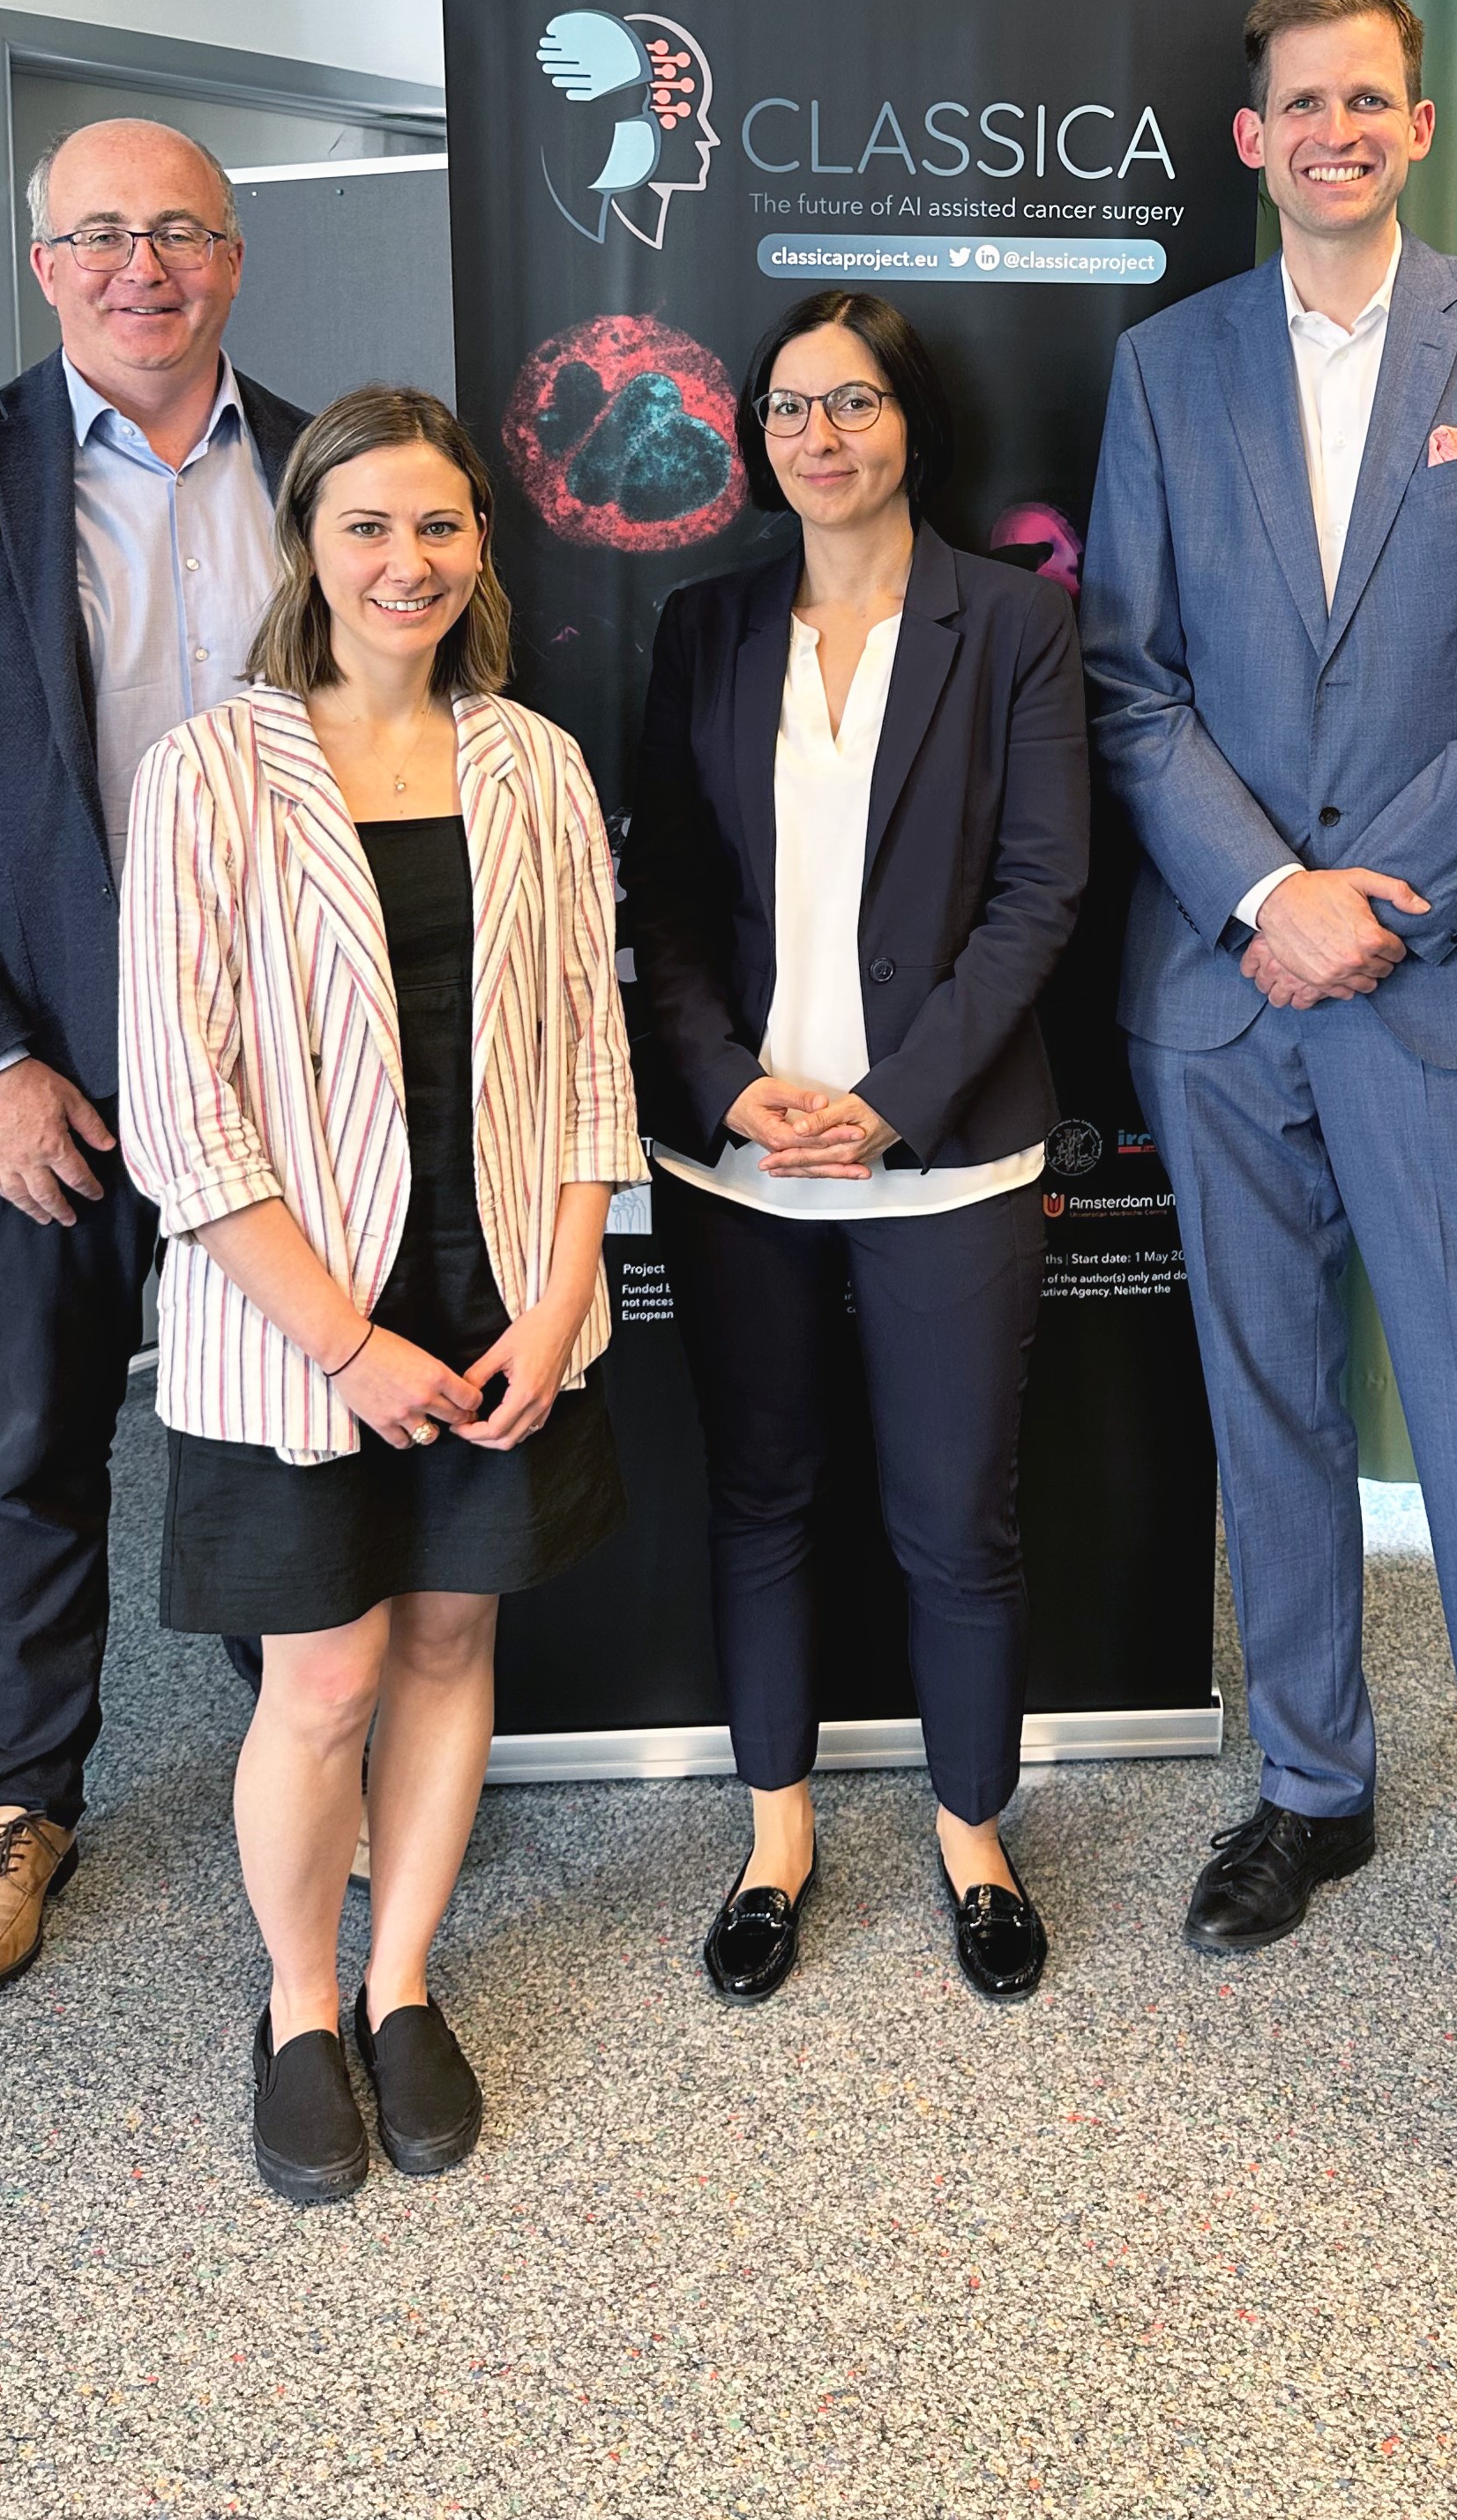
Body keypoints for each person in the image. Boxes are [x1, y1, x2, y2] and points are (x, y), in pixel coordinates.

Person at [1080, 0, 1457, 2071]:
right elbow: (1126, 673)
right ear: (1251, 140)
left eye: (1370, 100)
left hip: (1446, 985)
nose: (1334, 129)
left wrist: (1368, 907)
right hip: (1225, 990)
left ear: (1418, 126)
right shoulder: (1168, 367)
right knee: (1267, 1406)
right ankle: (1312, 1786)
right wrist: (1268, 897)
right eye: (1300, 103)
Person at [118, 384, 639, 2203]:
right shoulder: (209, 772)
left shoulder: (534, 764)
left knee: (445, 1645)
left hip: (498, 1298)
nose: (404, 561)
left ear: (480, 544)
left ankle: (402, 1979)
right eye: (366, 526)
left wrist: (561, 1297)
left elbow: (589, 1058)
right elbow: (181, 1114)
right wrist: (343, 1343)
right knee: (324, 1676)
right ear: (308, 548)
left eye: (438, 525)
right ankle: (297, 2006)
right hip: (299, 1322)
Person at [0, 120, 309, 1998]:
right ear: (45, 267)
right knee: (35, 1436)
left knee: (276, 1423)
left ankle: (304, 1751)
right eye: (99, 234)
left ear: (233, 257)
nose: (139, 267)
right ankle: (22, 1801)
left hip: (272, 1071)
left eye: (178, 231)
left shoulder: (323, 467)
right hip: (42, 1083)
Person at [627, 290, 1089, 2006]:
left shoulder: (1014, 625)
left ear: (911, 421)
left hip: (946, 1156)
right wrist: (724, 1080)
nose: (817, 437)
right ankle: (776, 1844)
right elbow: (665, 894)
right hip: (737, 1162)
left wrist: (895, 1098)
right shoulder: (705, 627)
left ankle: (975, 1841)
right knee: (760, 1500)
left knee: (957, 1520)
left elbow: (1044, 888)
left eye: (852, 403)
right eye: (787, 409)